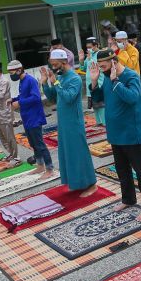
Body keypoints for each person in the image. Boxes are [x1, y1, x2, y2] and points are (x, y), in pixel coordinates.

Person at [91, 50, 141, 220]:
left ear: (113, 61)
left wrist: (115, 81)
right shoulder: (106, 76)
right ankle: (128, 199)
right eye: (100, 67)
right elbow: (97, 99)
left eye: (104, 66)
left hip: (131, 132)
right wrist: (94, 80)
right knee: (122, 170)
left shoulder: (130, 76)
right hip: (115, 132)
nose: (102, 69)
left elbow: (133, 98)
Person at [41, 49, 97, 195]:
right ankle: (77, 182)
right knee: (68, 153)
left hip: (74, 122)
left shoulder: (74, 78)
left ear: (64, 62)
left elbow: (69, 97)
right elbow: (53, 98)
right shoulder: (61, 76)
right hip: (64, 122)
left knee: (80, 152)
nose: (53, 67)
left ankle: (91, 184)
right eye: (51, 64)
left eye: (55, 64)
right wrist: (45, 84)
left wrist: (56, 83)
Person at [9, 60, 54, 177]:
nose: (11, 75)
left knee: (40, 144)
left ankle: (49, 169)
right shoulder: (22, 81)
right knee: (33, 143)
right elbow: (24, 96)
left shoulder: (30, 80)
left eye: (12, 72)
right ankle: (40, 166)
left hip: (34, 117)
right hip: (27, 117)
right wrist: (14, 99)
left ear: (19, 70)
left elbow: (36, 97)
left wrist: (20, 103)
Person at [80, 37, 106, 124]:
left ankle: (104, 122)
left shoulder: (100, 54)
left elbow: (94, 67)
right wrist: (81, 60)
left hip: (99, 83)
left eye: (90, 47)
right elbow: (83, 69)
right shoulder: (89, 56)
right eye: (87, 47)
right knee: (94, 105)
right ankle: (98, 122)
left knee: (101, 104)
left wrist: (90, 58)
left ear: (96, 45)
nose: (88, 49)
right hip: (90, 85)